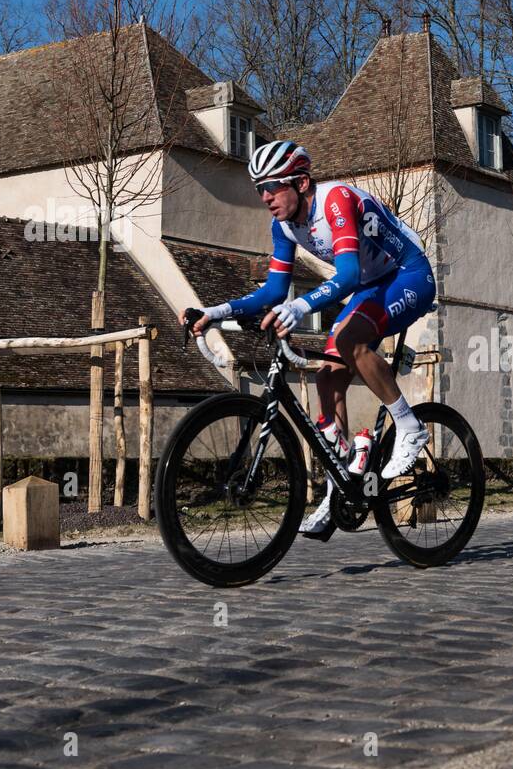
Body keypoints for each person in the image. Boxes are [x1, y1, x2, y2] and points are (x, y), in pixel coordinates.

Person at [186, 139, 437, 538]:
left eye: (272, 186)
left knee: (352, 340)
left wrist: (300, 308)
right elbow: (271, 292)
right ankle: (341, 484)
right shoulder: (282, 225)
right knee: (327, 376)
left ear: (301, 183)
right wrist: (215, 312)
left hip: (409, 274)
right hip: (373, 286)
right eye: (259, 189)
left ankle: (409, 425)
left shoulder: (334, 200)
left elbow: (348, 275)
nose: (265, 196)